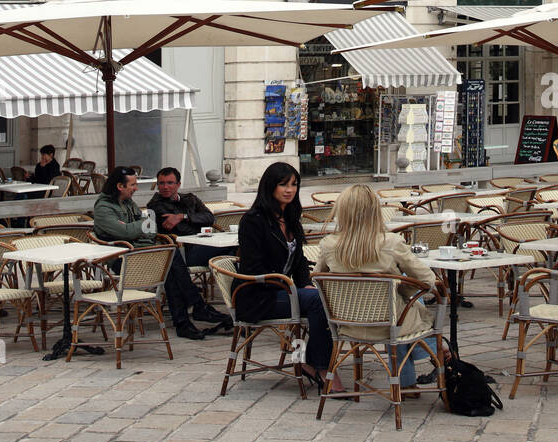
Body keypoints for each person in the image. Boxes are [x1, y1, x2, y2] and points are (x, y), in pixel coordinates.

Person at [315, 184, 447, 390]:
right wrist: (404, 286)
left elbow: (319, 278)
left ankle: (411, 381)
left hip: (347, 323)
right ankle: (434, 357)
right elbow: (428, 280)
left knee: (399, 302)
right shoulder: (391, 242)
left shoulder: (328, 245)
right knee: (405, 303)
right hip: (388, 324)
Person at [92, 167, 229, 340]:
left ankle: (184, 322)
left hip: (140, 253)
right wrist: (140, 226)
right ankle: (197, 307)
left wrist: (140, 227)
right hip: (122, 260)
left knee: (169, 259)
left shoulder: (128, 203)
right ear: (120, 186)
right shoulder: (104, 207)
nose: (136, 188)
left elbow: (149, 227)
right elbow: (128, 232)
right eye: (133, 185)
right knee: (170, 257)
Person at [235, 162, 338, 391]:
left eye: (294, 184)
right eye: (283, 184)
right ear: (270, 186)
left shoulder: (290, 217)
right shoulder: (253, 221)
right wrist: (291, 288)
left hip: (284, 292)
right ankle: (320, 368)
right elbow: (252, 267)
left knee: (324, 297)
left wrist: (305, 284)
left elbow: (299, 261)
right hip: (257, 295)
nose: (289, 190)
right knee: (319, 302)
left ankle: (306, 361)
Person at [147, 166, 229, 268]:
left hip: (202, 244)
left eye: (170, 183)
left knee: (235, 248)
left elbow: (210, 218)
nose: (165, 187)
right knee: (233, 250)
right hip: (183, 252)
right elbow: (181, 229)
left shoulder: (190, 198)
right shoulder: (155, 204)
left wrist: (183, 217)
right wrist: (198, 221)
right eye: (161, 183)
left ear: (178, 184)